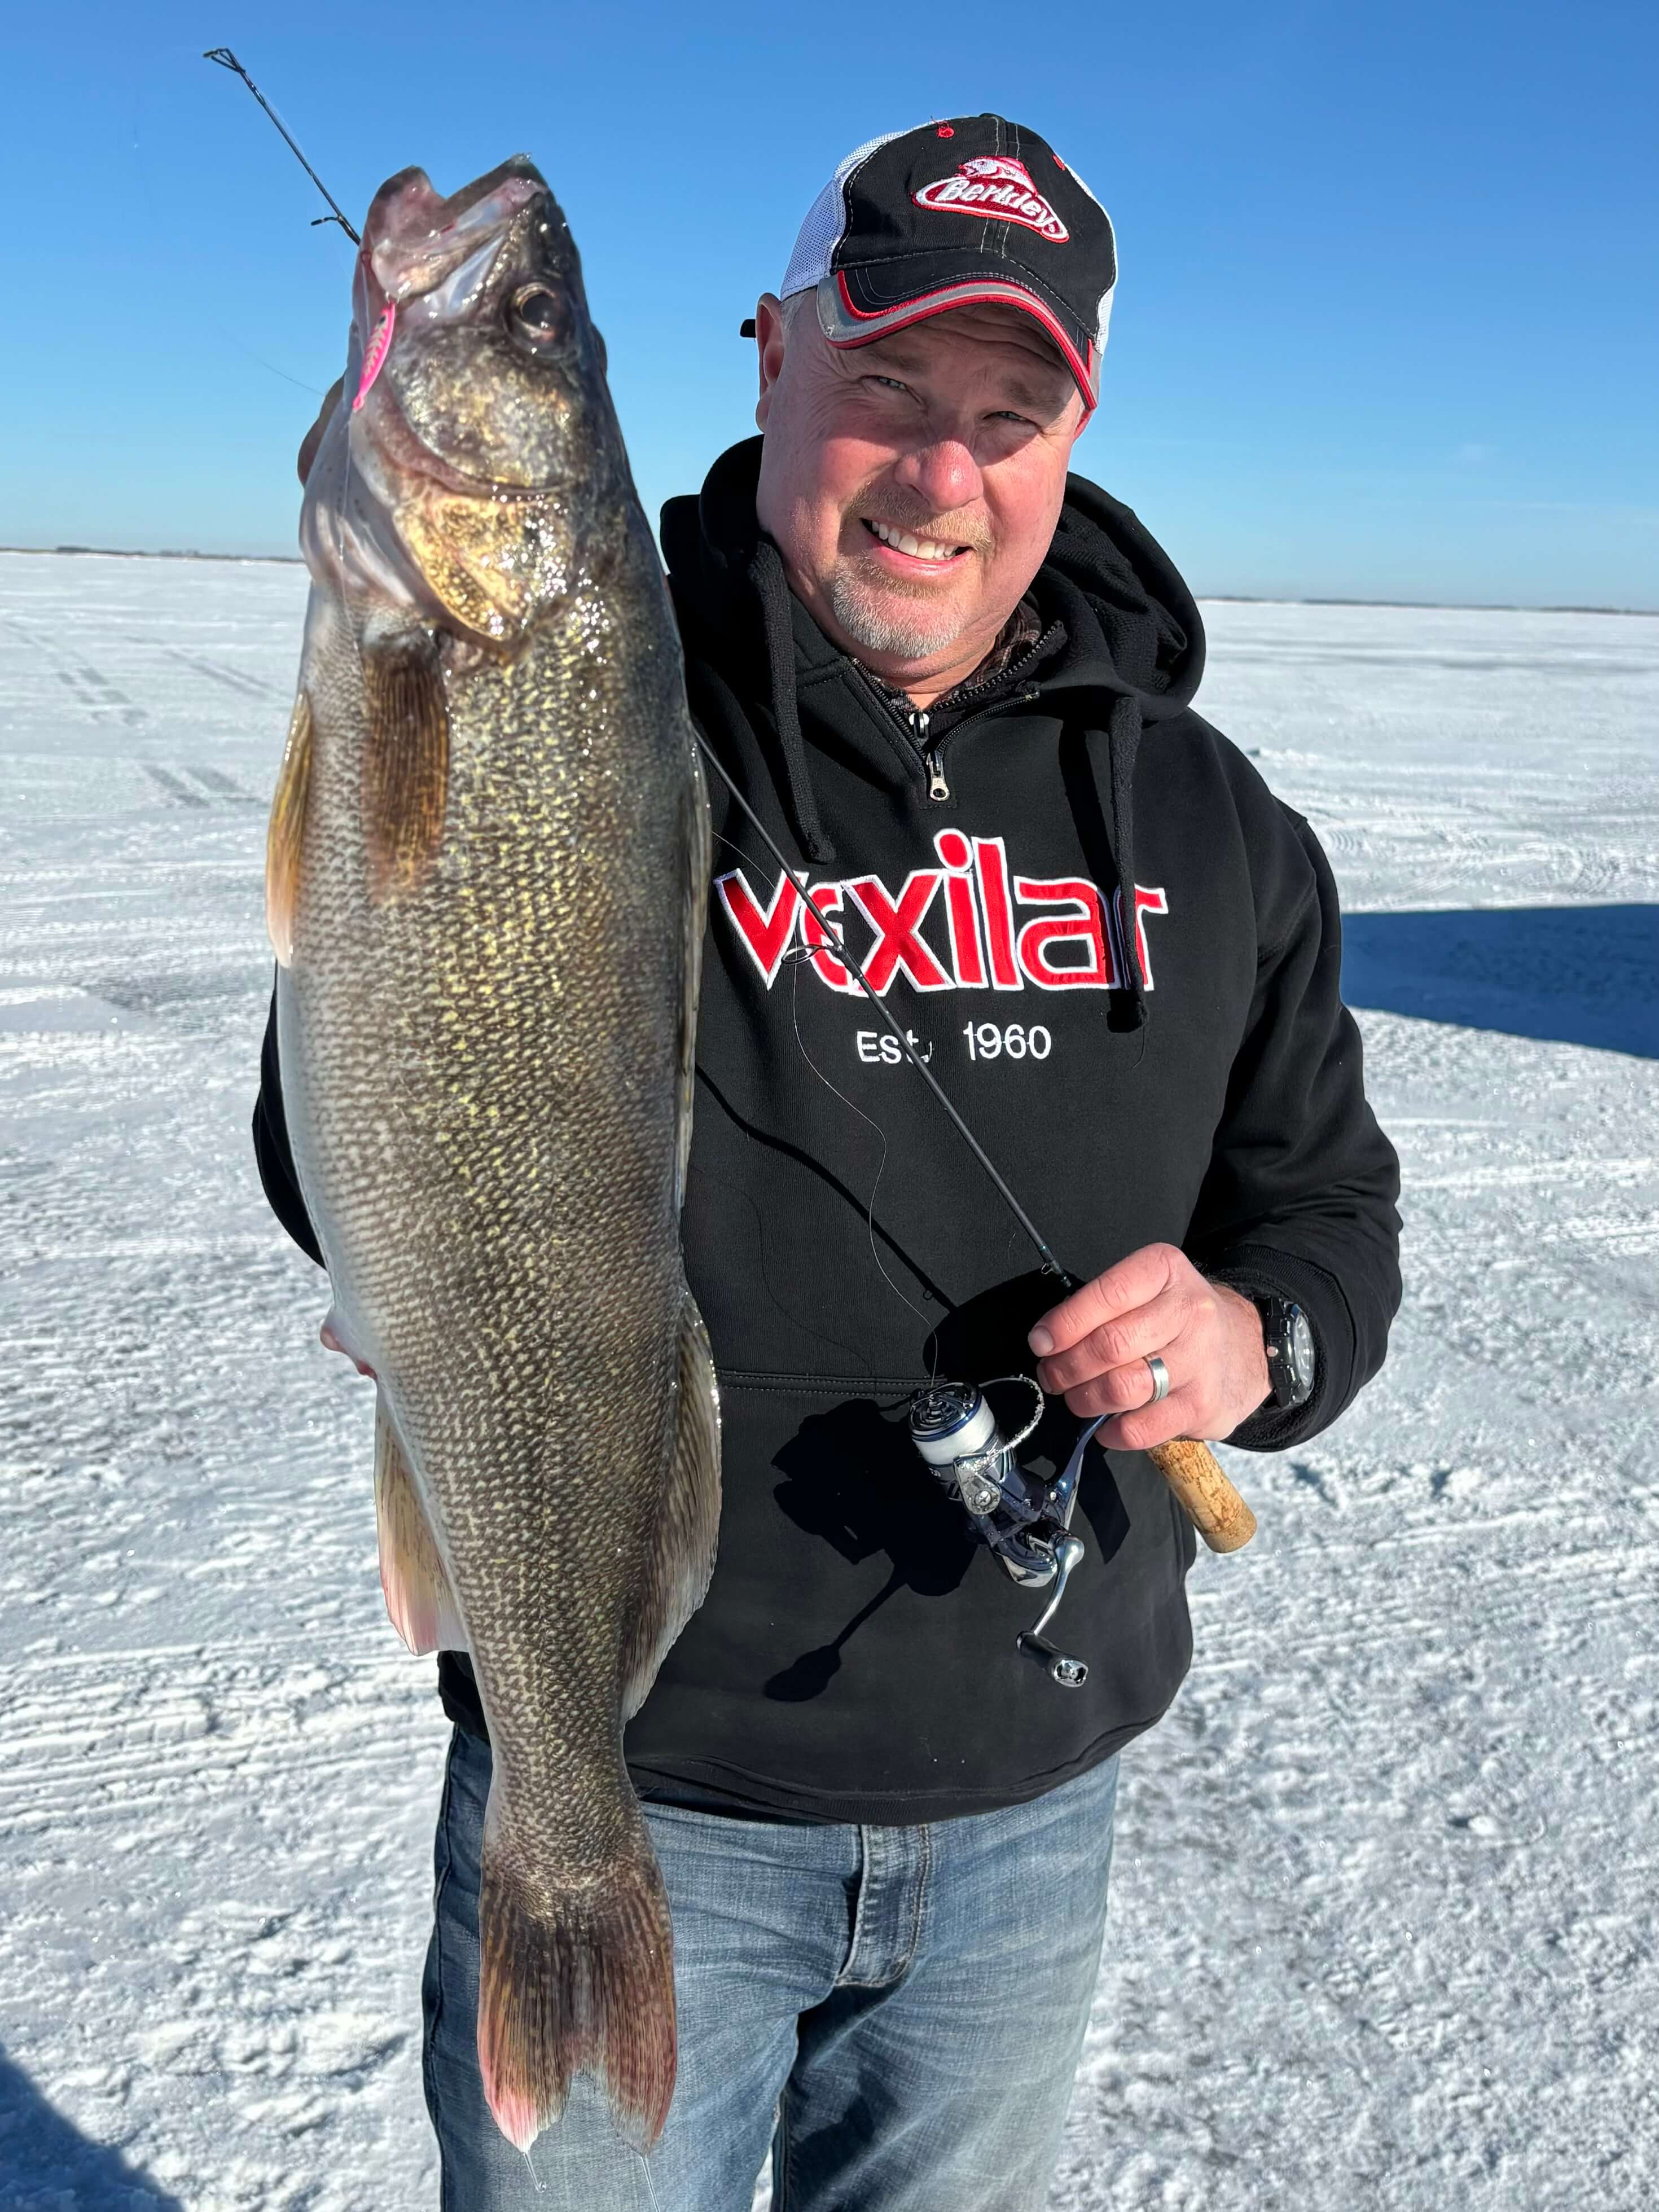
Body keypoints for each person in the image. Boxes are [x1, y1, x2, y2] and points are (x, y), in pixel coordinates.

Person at [255, 115, 1401, 2211]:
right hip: (632, 1769)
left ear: (1071, 431)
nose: (940, 474)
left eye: (1004, 413)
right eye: (885, 386)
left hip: (1029, 1811)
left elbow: (1328, 1220)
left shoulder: (1216, 824)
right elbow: (334, 1114)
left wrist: (1258, 1338)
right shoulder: (619, 685)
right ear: (773, 354)